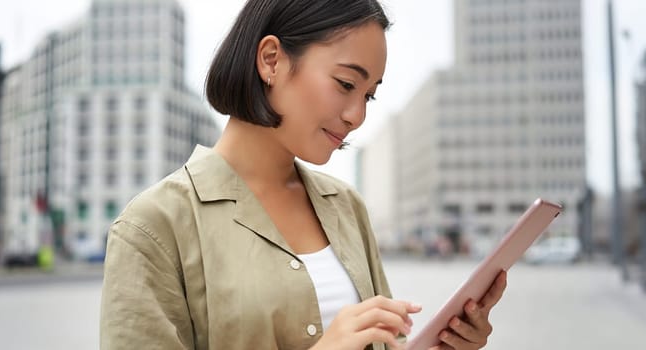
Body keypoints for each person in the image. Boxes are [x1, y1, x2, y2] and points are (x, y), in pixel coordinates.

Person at [99, 0, 508, 349]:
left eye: (369, 95)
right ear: (271, 60)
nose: (357, 115)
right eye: (345, 83)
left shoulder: (346, 206)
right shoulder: (153, 227)